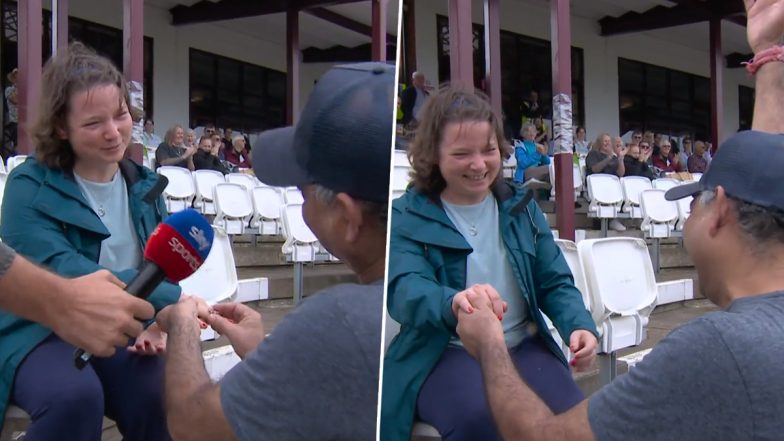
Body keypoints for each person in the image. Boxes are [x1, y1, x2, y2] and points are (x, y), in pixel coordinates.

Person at [453, 2, 784, 440]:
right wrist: (770, 56)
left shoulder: (717, 350)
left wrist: (491, 346)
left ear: (719, 211)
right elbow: (770, 174)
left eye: (692, 206)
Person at [155, 62, 393, 441]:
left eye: (303, 192)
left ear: (347, 218)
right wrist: (270, 352)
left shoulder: (341, 319)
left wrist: (183, 326)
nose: (301, 207)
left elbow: (192, 425)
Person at [381, 85, 598, 441]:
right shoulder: (406, 215)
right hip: (444, 352)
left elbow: (554, 280)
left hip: (523, 345)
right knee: (481, 421)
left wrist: (580, 325)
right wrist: (454, 303)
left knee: (572, 421)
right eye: (462, 153)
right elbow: (405, 288)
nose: (479, 165)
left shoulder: (521, 207)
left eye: (489, 150)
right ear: (433, 155)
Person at [0, 42, 180, 440]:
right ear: (62, 128)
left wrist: (152, 324)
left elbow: (167, 272)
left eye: (120, 115)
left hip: (120, 326)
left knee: (160, 389)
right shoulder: (27, 185)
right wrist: (163, 305)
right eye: (93, 123)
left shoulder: (145, 186)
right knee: (75, 398)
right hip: (37, 327)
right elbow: (62, 272)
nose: (114, 132)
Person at [0, 241, 155, 357]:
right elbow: (57, 260)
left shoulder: (148, 199)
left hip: (127, 328)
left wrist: (157, 321)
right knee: (71, 393)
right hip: (32, 333)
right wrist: (65, 301)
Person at [4, 68, 18, 155]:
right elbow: (16, 100)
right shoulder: (9, 90)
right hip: (14, 121)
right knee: (17, 143)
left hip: (24, 121)